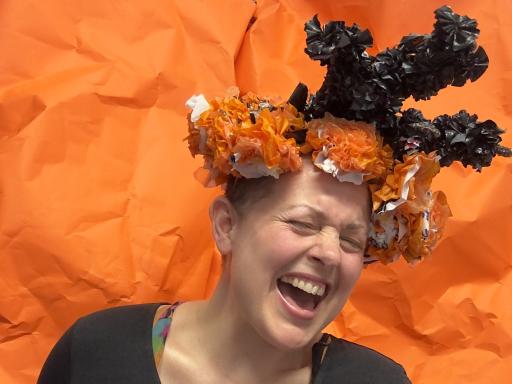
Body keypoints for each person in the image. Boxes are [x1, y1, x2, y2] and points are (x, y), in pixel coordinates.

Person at [37, 6, 510, 384]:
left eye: (351, 240)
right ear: (227, 225)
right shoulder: (95, 355)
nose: (328, 252)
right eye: (303, 223)